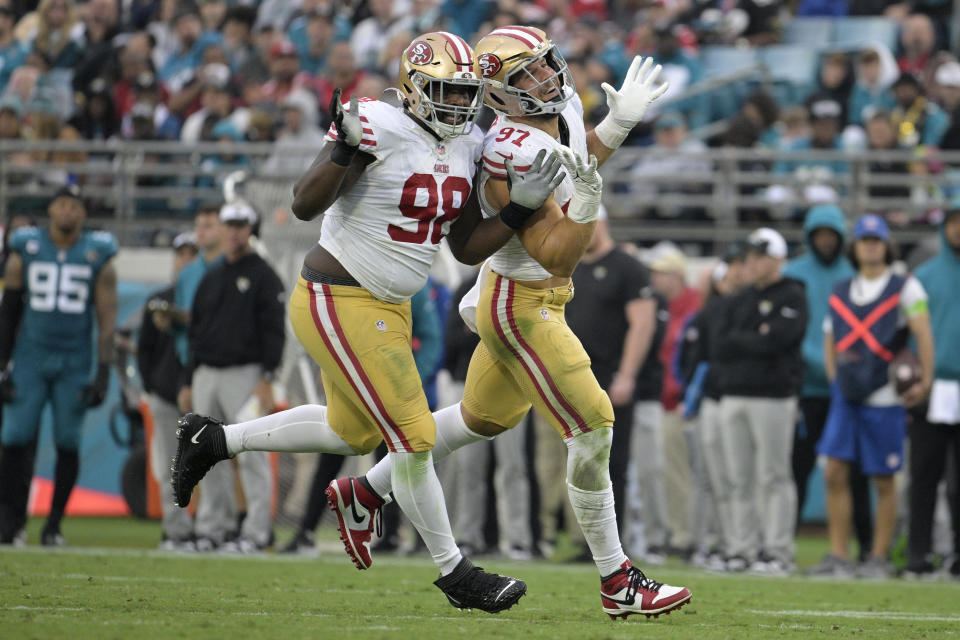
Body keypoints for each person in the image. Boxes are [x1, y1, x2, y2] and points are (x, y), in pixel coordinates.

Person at [171, 31, 565, 613]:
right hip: (339, 293)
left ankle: (213, 438)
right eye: (444, 92)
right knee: (415, 436)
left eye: (465, 93)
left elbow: (464, 249)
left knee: (351, 432)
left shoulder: (467, 143)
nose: (457, 104)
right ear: (412, 87)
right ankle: (456, 573)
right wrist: (342, 152)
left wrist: (517, 210)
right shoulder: (375, 121)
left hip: (390, 305)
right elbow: (303, 204)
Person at [338, 26, 691, 618]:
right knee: (594, 424)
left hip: (536, 296)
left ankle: (365, 488)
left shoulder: (566, 105)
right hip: (521, 303)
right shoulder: (506, 147)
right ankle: (617, 580)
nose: (545, 78)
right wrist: (586, 203)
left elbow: (580, 162)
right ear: (498, 94)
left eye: (545, 63)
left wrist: (616, 127)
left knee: (480, 418)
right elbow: (556, 250)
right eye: (524, 74)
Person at [813, 214, 934, 579]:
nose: (869, 245)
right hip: (846, 393)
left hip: (883, 393)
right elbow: (830, 337)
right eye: (864, 239)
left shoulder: (905, 286)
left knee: (883, 477)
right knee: (834, 472)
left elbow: (923, 332)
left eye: (876, 240)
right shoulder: (840, 289)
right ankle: (838, 554)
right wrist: (835, 378)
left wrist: (925, 380)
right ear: (854, 246)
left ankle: (878, 557)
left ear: (886, 245)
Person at [0, 185, 117, 546]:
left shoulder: (98, 252)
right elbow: (10, 310)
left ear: (83, 214)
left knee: (68, 441)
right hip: (31, 358)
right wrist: (2, 364)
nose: (68, 212)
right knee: (14, 438)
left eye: (75, 206)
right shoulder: (26, 246)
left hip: (73, 360)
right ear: (51, 210)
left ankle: (53, 525)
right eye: (62, 204)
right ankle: (9, 522)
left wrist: (103, 371)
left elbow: (107, 316)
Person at [180, 201, 285, 552]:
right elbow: (195, 333)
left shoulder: (264, 275)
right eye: (230, 224)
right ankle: (213, 527)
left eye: (241, 224)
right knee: (204, 454)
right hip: (207, 373)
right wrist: (188, 379)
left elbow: (275, 332)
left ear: (251, 230)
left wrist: (268, 376)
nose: (235, 230)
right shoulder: (212, 276)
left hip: (246, 373)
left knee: (252, 452)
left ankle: (256, 532)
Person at [782, 204, 874, 561]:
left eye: (831, 235)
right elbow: (794, 332)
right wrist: (827, 364)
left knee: (858, 473)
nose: (825, 241)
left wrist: (850, 371)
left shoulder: (855, 272)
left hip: (851, 391)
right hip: (808, 392)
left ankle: (866, 548)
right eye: (819, 234)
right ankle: (783, 546)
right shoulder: (794, 273)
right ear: (810, 236)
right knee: (797, 471)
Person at [713, 228, 808, 574]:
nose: (750, 263)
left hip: (773, 396)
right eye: (749, 256)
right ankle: (741, 548)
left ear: (778, 259)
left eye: (758, 256)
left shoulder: (793, 294)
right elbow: (720, 342)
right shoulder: (739, 299)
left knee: (773, 475)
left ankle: (778, 550)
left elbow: (779, 341)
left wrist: (749, 340)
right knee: (738, 477)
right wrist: (757, 336)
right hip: (735, 393)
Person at [565, 208, 661, 545]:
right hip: (575, 380)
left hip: (610, 378)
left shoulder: (628, 267)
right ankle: (586, 541)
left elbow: (643, 323)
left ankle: (614, 543)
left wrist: (627, 375)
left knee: (612, 462)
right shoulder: (569, 265)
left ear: (602, 224)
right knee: (580, 465)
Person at [137, 232, 199, 551]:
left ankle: (210, 529)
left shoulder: (208, 296)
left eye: (192, 254)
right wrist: (152, 384)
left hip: (199, 393)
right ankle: (176, 530)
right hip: (165, 393)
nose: (186, 260)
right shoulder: (158, 298)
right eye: (181, 254)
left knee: (206, 465)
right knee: (170, 466)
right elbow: (143, 349)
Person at [909, 201, 960, 578]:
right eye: (955, 222)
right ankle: (918, 554)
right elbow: (907, 334)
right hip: (930, 387)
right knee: (924, 476)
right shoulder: (924, 276)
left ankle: (957, 554)